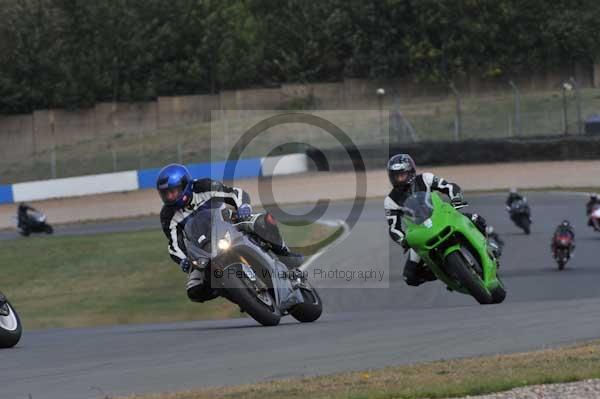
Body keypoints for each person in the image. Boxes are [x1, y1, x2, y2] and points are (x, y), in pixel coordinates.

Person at [157, 163, 304, 303]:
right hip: (204, 249)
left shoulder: (203, 187)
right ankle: (237, 293)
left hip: (230, 223)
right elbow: (174, 245)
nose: (169, 197)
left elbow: (235, 194)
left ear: (184, 185)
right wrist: (183, 260)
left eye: (172, 191)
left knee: (263, 221)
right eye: (165, 194)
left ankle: (285, 255)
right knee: (194, 290)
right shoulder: (168, 215)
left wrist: (243, 207)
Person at [384, 154, 492, 286]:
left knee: (476, 219)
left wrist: (456, 198)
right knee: (410, 277)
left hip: (443, 217)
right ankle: (443, 272)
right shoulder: (390, 201)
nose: (399, 179)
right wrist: (403, 240)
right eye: (396, 176)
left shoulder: (425, 178)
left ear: (411, 172)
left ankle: (489, 247)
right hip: (419, 232)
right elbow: (394, 227)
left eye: (402, 175)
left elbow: (449, 187)